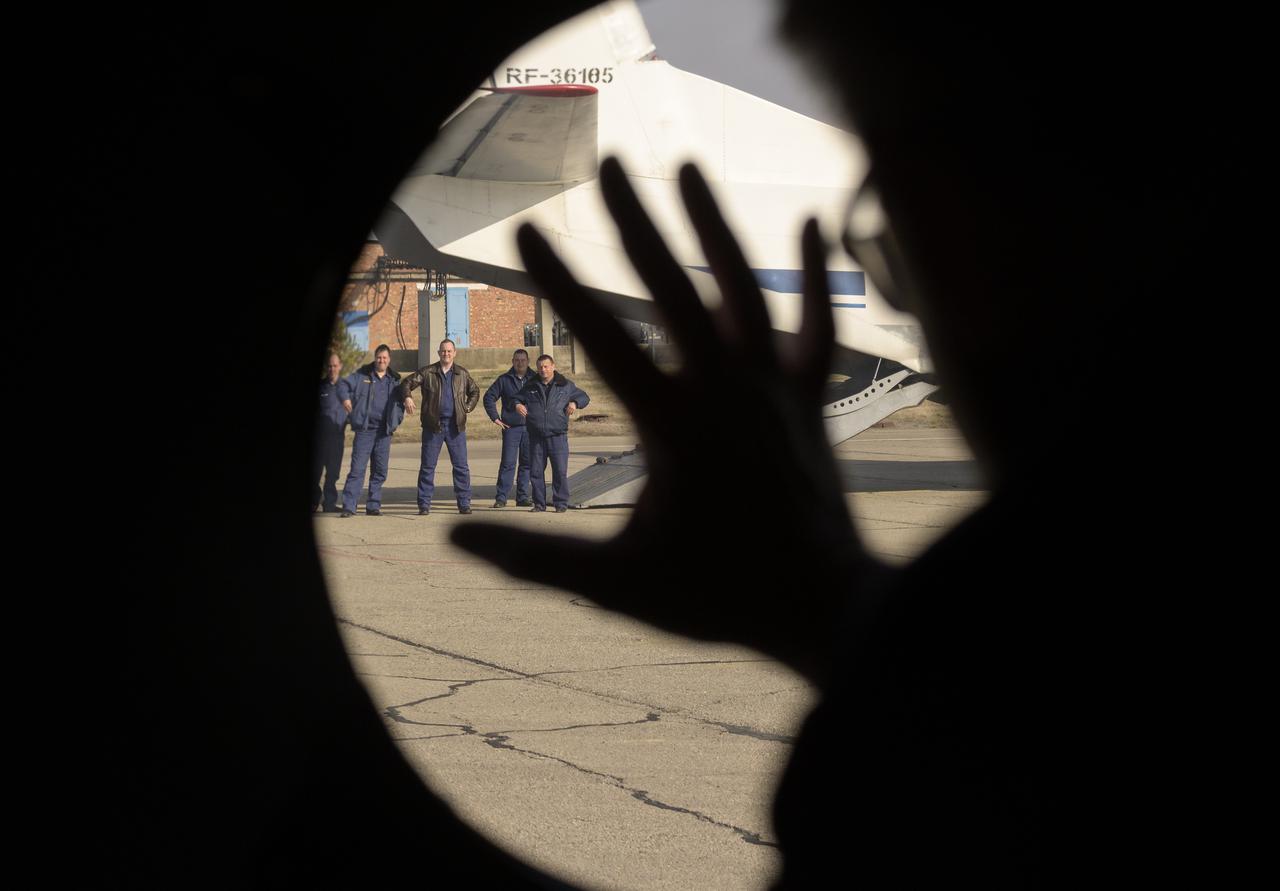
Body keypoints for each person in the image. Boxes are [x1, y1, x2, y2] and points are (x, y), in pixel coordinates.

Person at [399, 339, 480, 515]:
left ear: (455, 353)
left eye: (449, 351)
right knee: (428, 467)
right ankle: (424, 504)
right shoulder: (428, 372)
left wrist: (467, 407)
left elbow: (475, 391)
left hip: (455, 427)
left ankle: (464, 503)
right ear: (438, 353)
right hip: (433, 427)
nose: (446, 354)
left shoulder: (462, 374)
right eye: (443, 351)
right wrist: (407, 397)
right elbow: (406, 383)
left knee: (461, 467)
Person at [513, 355, 589, 513]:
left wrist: (575, 403)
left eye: (546, 366)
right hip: (536, 437)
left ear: (553, 366)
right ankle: (539, 504)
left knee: (560, 471)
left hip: (557, 436)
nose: (543, 370)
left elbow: (584, 397)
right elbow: (515, 398)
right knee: (536, 472)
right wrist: (517, 404)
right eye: (540, 367)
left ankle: (560, 503)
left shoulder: (565, 385)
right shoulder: (530, 385)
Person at [337, 344, 406, 517]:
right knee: (357, 469)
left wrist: (397, 418)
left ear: (389, 360)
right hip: (365, 431)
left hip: (384, 433)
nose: (381, 360)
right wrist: (345, 399)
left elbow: (404, 394)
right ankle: (349, 506)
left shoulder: (394, 380)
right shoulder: (362, 376)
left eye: (384, 358)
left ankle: (373, 505)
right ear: (375, 358)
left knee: (380, 470)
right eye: (379, 357)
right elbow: (343, 385)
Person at [483, 348, 534, 508]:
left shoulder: (536, 379)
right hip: (511, 428)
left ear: (528, 361)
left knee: (527, 463)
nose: (520, 363)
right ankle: (501, 498)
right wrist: (495, 418)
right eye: (517, 360)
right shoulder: (504, 379)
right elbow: (489, 397)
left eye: (523, 360)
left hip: (531, 429)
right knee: (508, 463)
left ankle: (523, 497)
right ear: (512, 362)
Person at [311, 353, 348, 513]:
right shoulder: (321, 386)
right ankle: (313, 502)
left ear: (340, 366)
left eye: (335, 365)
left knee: (333, 473)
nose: (332, 369)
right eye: (330, 366)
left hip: (337, 438)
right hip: (319, 439)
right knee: (315, 473)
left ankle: (329, 504)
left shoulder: (346, 387)